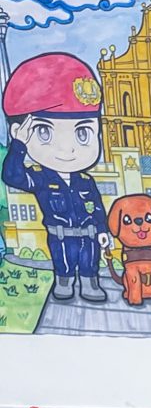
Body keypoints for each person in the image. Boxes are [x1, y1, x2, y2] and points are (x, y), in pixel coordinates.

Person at [1, 51, 110, 305]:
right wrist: (19, 146)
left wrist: (103, 230)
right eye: (44, 132)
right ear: (19, 131)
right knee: (64, 264)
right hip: (60, 237)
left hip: (89, 236)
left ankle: (90, 282)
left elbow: (97, 208)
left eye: (82, 133)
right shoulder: (41, 178)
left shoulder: (86, 182)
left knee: (89, 262)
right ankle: (63, 281)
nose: (67, 149)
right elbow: (13, 176)